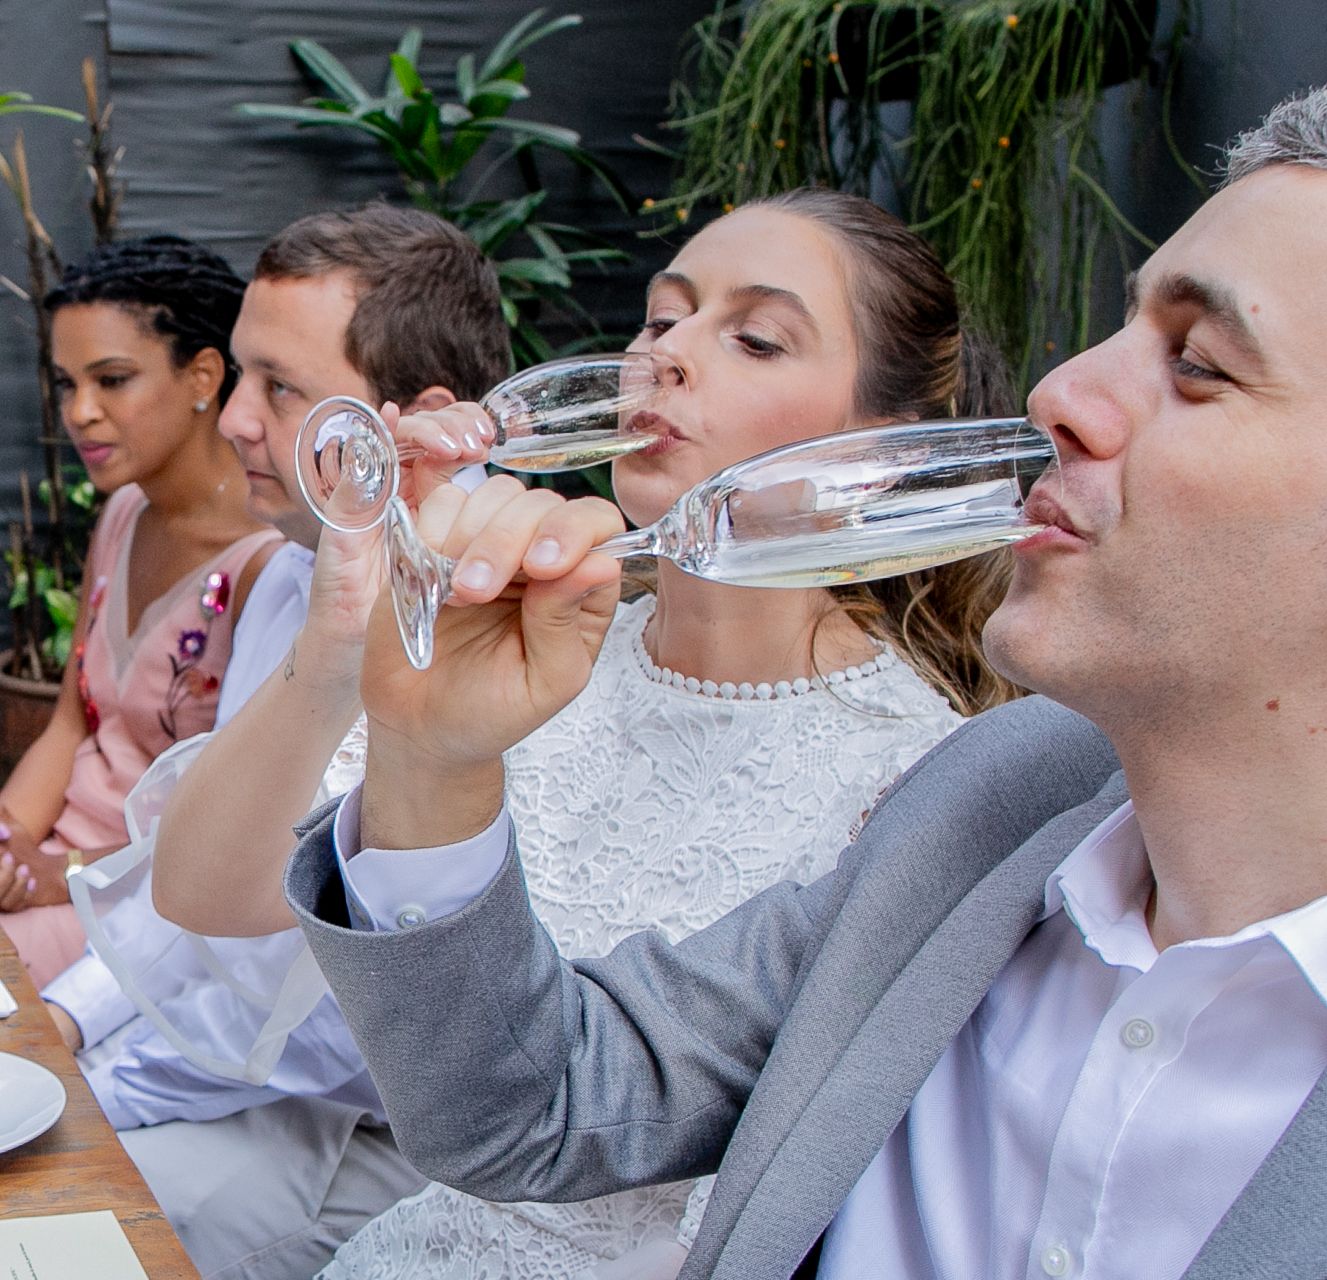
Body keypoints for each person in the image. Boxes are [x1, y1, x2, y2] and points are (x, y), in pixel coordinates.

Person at [280, 82, 1327, 1279]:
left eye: (1198, 365)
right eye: (1122, 329)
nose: (1065, 387)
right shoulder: (988, 808)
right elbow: (534, 1112)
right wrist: (434, 764)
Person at [153, 188, 1017, 1278]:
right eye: (660, 319)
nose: (665, 357)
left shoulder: (919, 775)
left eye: (753, 336)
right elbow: (203, 893)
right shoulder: (533, 652)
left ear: (881, 451)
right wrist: (346, 612)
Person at [37, 204, 508, 1280]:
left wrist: (99, 1082)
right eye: (240, 376)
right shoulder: (291, 566)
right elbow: (184, 887)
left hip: (383, 1129)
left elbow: (346, 1018)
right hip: (242, 1069)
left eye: (280, 388)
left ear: (422, 419)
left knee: (50, 1221)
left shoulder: (479, 612)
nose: (238, 419)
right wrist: (69, 1013)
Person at [0, 236, 280, 987]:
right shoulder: (123, 513)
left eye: (112, 380)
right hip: (48, 870)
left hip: (151, 909)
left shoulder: (266, 568)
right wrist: (8, 841)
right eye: (66, 384)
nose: (80, 412)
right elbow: (71, 721)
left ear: (203, 376)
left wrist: (61, 876)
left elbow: (246, 825)